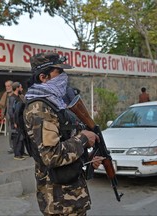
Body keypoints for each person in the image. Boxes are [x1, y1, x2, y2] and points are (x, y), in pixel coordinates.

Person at [23, 52, 104, 215]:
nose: (63, 76)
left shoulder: (55, 102)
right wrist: (83, 139)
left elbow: (64, 140)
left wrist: (87, 158)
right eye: (58, 72)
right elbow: (52, 155)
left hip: (71, 197)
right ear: (43, 77)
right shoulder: (40, 108)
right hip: (59, 201)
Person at [8, 82, 28, 160]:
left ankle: (22, 152)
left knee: (22, 136)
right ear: (17, 88)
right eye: (20, 87)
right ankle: (17, 154)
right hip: (16, 120)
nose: (22, 89)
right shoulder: (12, 98)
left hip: (20, 119)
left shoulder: (19, 96)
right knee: (17, 137)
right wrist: (14, 121)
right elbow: (11, 111)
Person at [0, 80, 14, 153]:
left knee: (17, 132)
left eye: (8, 86)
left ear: (12, 86)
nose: (7, 88)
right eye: (6, 86)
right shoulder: (5, 94)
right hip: (8, 116)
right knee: (10, 132)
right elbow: (3, 106)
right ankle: (12, 147)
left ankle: (18, 148)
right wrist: (2, 114)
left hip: (15, 116)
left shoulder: (15, 94)